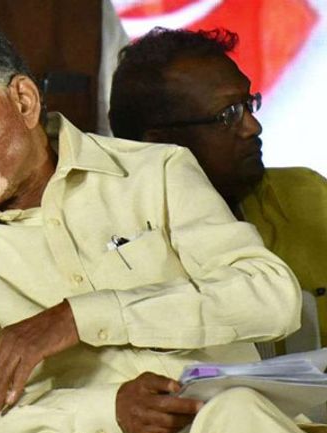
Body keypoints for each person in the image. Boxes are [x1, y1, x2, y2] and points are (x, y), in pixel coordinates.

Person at [0, 18, 314, 433]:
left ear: (23, 101)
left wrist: (80, 318)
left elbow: (270, 297)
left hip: (228, 429)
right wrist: (109, 411)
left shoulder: (155, 172)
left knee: (234, 411)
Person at [109, 27, 327, 345]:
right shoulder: (118, 248)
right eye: (228, 115)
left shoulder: (306, 192)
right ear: (159, 142)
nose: (253, 127)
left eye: (248, 104)